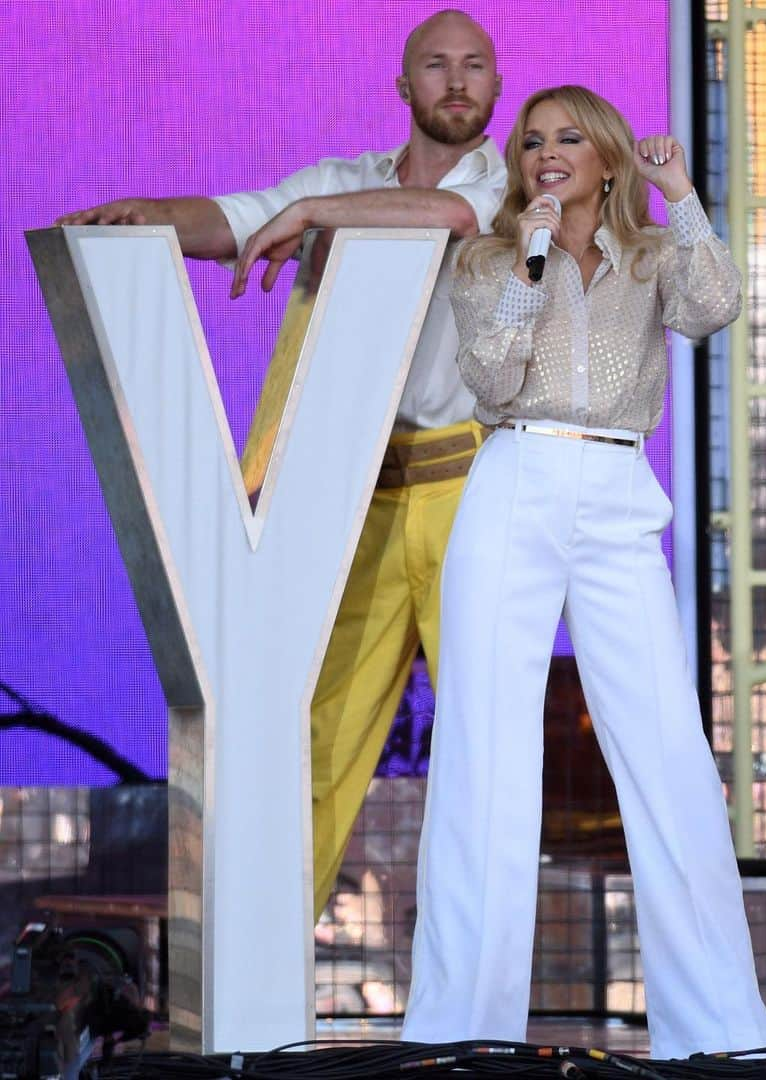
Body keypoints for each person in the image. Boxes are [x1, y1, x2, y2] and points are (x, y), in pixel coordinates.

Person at [58, 10, 507, 917]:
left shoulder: (513, 188)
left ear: (494, 87)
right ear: (404, 86)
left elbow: (449, 217)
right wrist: (146, 216)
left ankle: (470, 1001)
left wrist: (310, 218)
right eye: (435, 65)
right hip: (354, 498)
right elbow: (232, 221)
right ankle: (262, 977)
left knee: (489, 745)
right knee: (316, 737)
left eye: (474, 66)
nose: (456, 82)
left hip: (474, 494)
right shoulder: (341, 182)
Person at [401, 85, 766, 1059]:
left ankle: (723, 1037)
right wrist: (529, 257)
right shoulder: (488, 259)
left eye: (569, 139)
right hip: (513, 475)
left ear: (608, 157)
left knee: (666, 751)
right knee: (484, 755)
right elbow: (487, 378)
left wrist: (682, 194)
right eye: (533, 142)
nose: (547, 153)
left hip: (615, 488)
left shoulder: (651, 257)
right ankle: (458, 1036)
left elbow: (716, 306)